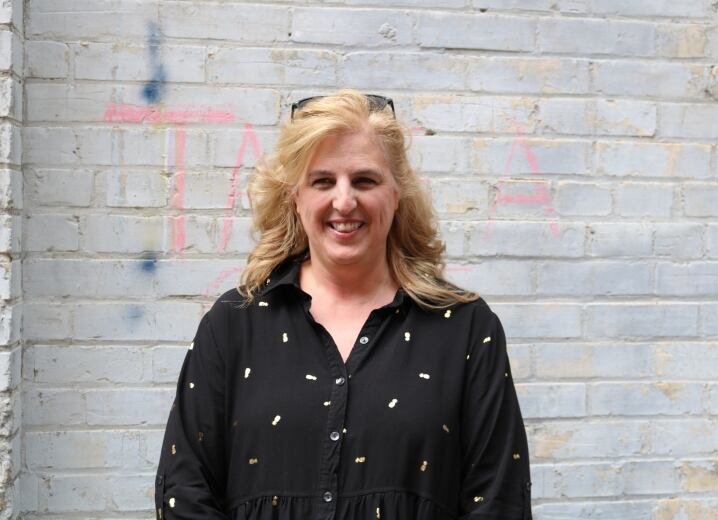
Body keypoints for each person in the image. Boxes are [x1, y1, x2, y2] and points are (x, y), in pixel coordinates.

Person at [155, 90, 533, 519]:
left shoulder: (466, 331)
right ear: (295, 197)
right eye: (322, 181)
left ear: (396, 194)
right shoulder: (232, 326)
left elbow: (499, 502)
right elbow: (185, 492)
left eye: (365, 180)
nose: (344, 201)